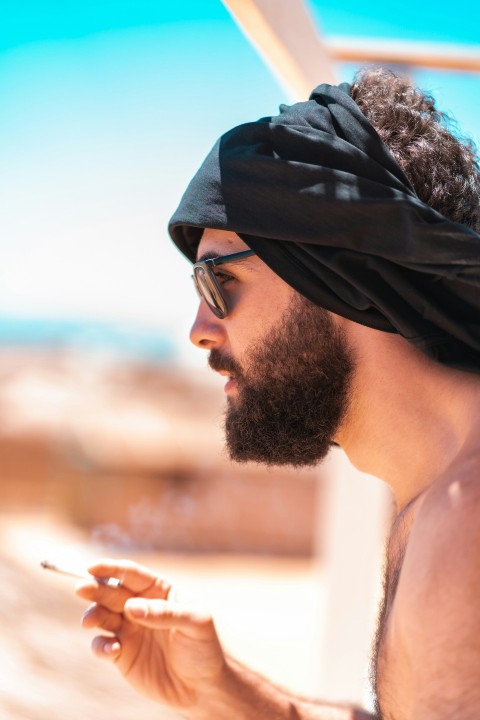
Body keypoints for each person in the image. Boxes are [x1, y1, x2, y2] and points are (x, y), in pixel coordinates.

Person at [76, 67, 480, 719]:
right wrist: (231, 694)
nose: (199, 331)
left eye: (217, 284)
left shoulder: (467, 532)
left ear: (335, 274)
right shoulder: (436, 503)